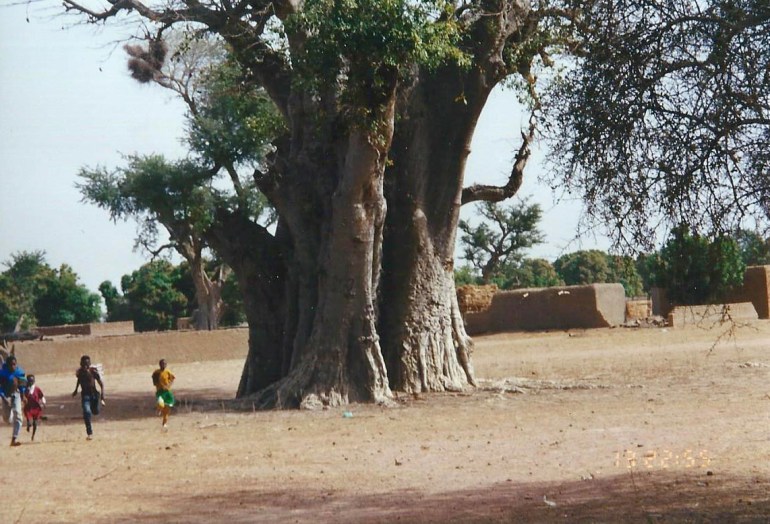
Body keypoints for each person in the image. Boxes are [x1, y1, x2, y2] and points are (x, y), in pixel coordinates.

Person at [72, 355, 105, 440]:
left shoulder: (93, 372)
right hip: (85, 396)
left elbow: (101, 384)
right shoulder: (80, 373)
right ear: (81, 364)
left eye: (87, 364)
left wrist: (102, 396)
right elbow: (79, 380)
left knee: (95, 411)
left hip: (94, 395)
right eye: (83, 364)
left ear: (89, 364)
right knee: (87, 412)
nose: (85, 366)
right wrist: (76, 390)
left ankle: (95, 408)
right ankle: (89, 433)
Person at [0, 355, 27, 447]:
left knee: (18, 416)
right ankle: (10, 413)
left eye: (14, 364)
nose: (13, 367)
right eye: (11, 365)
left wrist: (23, 396)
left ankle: (14, 439)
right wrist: (4, 397)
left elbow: (22, 385)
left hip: (16, 394)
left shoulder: (20, 372)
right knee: (6, 419)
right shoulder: (2, 374)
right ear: (7, 365)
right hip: (5, 395)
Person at [151, 359, 175, 429]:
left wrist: (169, 385)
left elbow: (172, 378)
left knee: (167, 409)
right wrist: (158, 385)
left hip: (167, 391)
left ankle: (164, 423)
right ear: (159, 364)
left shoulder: (168, 372)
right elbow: (154, 380)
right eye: (162, 364)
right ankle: (159, 409)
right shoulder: (156, 372)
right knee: (161, 403)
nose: (163, 365)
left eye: (165, 364)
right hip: (160, 391)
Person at [23, 374, 46, 441]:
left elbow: (41, 396)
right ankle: (28, 424)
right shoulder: (25, 389)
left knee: (35, 423)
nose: (31, 382)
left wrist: (44, 403)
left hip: (36, 408)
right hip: (28, 408)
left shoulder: (37, 389)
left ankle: (33, 435)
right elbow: (23, 396)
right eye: (29, 381)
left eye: (32, 381)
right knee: (29, 421)